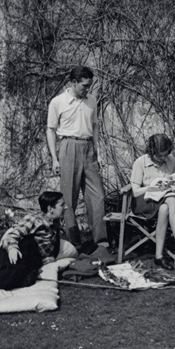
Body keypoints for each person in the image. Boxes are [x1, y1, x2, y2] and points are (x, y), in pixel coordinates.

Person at [47, 66, 109, 254]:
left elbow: (95, 126)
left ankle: (101, 243)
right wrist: (55, 159)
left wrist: (98, 151)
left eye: (89, 86)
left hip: (89, 148)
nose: (87, 89)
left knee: (97, 197)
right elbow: (50, 130)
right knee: (68, 200)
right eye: (84, 86)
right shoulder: (58, 102)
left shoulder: (91, 100)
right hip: (68, 148)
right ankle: (76, 243)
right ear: (73, 82)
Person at [130, 134, 175, 270]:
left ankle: (159, 257)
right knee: (170, 198)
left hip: (164, 202)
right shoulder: (141, 162)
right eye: (159, 156)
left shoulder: (170, 160)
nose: (163, 158)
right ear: (151, 152)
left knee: (165, 208)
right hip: (144, 202)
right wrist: (156, 187)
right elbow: (135, 191)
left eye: (165, 155)